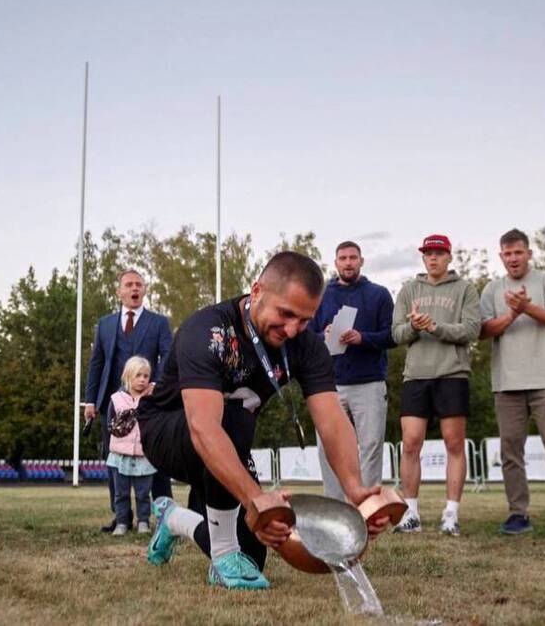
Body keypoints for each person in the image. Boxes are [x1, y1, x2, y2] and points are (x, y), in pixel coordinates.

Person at [137, 251, 390, 590]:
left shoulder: (306, 345)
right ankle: (223, 551)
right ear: (256, 292)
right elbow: (204, 427)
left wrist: (355, 488)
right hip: (168, 432)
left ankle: (174, 519)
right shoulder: (208, 331)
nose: (291, 329)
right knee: (235, 420)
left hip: (226, 439)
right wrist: (256, 498)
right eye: (285, 314)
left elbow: (332, 419)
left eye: (304, 319)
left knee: (253, 556)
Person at [480, 228, 545, 536]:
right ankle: (518, 514)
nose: (513, 258)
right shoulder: (492, 289)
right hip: (507, 383)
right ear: (501, 257)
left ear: (529, 253)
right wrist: (512, 314)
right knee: (511, 451)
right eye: (507, 253)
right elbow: (483, 331)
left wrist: (528, 308)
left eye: (518, 252)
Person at [391, 234, 480, 536]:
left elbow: (471, 329)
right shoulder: (409, 289)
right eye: (428, 253)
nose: (433, 258)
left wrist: (435, 327)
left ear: (449, 256)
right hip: (416, 375)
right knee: (411, 443)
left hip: (452, 374)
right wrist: (415, 327)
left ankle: (451, 514)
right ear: (423, 257)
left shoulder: (465, 289)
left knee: (454, 444)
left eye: (439, 253)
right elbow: (397, 334)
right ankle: (411, 513)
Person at [84, 269, 172, 532]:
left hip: (149, 403)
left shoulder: (159, 323)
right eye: (128, 284)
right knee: (114, 460)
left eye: (139, 284)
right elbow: (97, 363)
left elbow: (169, 355)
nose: (134, 288)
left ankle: (163, 513)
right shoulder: (106, 324)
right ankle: (121, 516)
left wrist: (155, 384)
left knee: (156, 456)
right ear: (119, 292)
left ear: (144, 290)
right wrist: (91, 401)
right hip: (113, 403)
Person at [309, 240, 395, 499]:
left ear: (361, 261)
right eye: (343, 258)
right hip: (329, 385)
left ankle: (368, 507)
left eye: (353, 258)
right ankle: (335, 509)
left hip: (369, 382)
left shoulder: (379, 294)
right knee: (329, 448)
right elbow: (303, 335)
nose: (348, 262)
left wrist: (363, 338)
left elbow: (393, 335)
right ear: (335, 263)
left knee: (370, 445)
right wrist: (320, 335)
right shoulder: (321, 296)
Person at [106, 356, 158, 536]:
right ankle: (121, 522)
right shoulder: (117, 399)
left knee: (144, 493)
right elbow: (110, 425)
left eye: (146, 376)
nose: (143, 379)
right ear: (128, 376)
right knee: (121, 493)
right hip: (120, 456)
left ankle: (143, 521)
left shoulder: (152, 397)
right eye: (138, 375)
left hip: (144, 456)